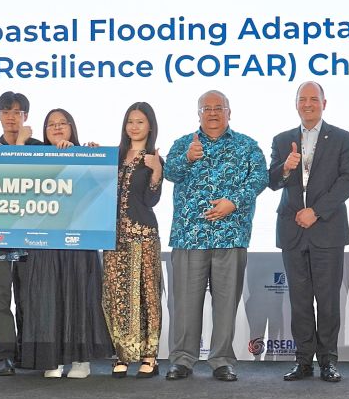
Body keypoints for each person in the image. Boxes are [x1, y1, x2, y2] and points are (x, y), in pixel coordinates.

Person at [163, 90, 268, 382]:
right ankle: (182, 359)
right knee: (185, 304)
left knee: (225, 303)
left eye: (218, 108)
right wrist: (186, 159)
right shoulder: (184, 144)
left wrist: (234, 201)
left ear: (229, 112)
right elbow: (169, 173)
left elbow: (260, 178)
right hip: (189, 236)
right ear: (198, 114)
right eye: (206, 108)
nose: (212, 113)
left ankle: (221, 359)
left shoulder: (247, 146)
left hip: (231, 235)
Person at [267, 82, 349, 383]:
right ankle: (303, 361)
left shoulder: (342, 138)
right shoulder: (282, 140)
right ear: (296, 105)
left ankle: (328, 361)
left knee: (328, 299)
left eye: (313, 99)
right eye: (302, 100)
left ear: (324, 103)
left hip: (327, 229)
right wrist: (285, 168)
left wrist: (316, 211)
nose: (308, 104)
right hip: (292, 230)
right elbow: (272, 182)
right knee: (300, 300)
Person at [17, 109, 113, 377]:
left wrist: (84, 156)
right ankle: (52, 359)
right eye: (51, 125)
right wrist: (22, 143)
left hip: (79, 241)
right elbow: (15, 179)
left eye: (62, 123)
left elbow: (99, 193)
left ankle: (81, 360)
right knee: (47, 298)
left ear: (72, 127)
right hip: (44, 239)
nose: (57, 128)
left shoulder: (87, 153)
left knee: (79, 296)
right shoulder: (35, 156)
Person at [0, 90, 43, 375]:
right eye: (6, 112)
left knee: (30, 299)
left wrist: (20, 144)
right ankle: (4, 354)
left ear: (26, 116)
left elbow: (35, 181)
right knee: (0, 300)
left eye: (17, 112)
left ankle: (31, 353)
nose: (10, 117)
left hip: (33, 238)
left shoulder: (40, 148)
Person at [102, 102, 165, 378]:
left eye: (140, 121)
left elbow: (152, 199)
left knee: (146, 294)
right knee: (117, 295)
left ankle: (150, 355)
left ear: (150, 126)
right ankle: (123, 354)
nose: (134, 126)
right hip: (114, 237)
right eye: (130, 121)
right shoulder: (113, 156)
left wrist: (156, 172)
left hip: (144, 235)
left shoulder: (153, 157)